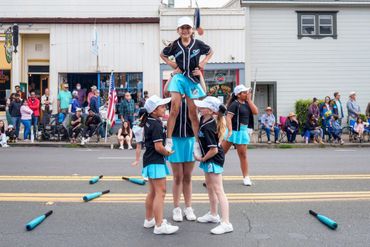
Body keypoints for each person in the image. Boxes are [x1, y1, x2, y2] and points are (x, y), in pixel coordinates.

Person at [160, 16, 213, 156]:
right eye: (182, 28)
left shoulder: (198, 44)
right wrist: (173, 65)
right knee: (174, 109)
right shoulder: (174, 45)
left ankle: (196, 143)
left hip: (192, 79)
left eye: (188, 28)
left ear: (192, 30)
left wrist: (203, 63)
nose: (185, 30)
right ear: (178, 30)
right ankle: (169, 140)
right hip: (179, 77)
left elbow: (210, 51)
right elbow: (162, 54)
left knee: (193, 113)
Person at [193, 96, 233, 235]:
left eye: (203, 107)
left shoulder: (210, 126)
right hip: (208, 158)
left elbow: (214, 149)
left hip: (213, 158)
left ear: (210, 111)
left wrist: (202, 158)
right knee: (210, 187)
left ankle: (226, 222)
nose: (199, 108)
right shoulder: (205, 119)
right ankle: (213, 214)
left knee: (218, 190)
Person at [141, 95, 178, 235]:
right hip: (156, 160)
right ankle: (159, 225)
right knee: (161, 193)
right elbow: (158, 147)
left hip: (150, 160)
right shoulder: (156, 124)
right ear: (154, 110)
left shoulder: (150, 121)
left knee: (153, 192)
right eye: (161, 106)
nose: (164, 108)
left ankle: (149, 219)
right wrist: (167, 152)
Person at [222, 85, 258, 186]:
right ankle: (212, 176)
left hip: (243, 132)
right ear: (238, 95)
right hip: (233, 131)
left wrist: (250, 100)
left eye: (247, 92)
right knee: (220, 154)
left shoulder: (247, 103)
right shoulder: (234, 104)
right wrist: (229, 130)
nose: (247, 94)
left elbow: (255, 112)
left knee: (243, 155)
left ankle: (246, 177)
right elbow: (228, 118)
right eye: (244, 92)